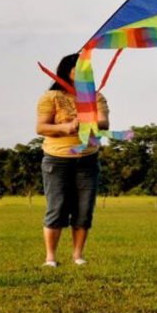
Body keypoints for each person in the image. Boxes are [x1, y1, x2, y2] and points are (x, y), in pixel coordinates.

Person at [35, 53, 109, 267]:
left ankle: (78, 256)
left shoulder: (96, 97)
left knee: (84, 209)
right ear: (67, 71)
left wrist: (87, 119)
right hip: (56, 160)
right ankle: (50, 258)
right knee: (56, 208)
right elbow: (41, 127)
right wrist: (65, 127)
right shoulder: (51, 97)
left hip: (87, 159)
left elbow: (103, 122)